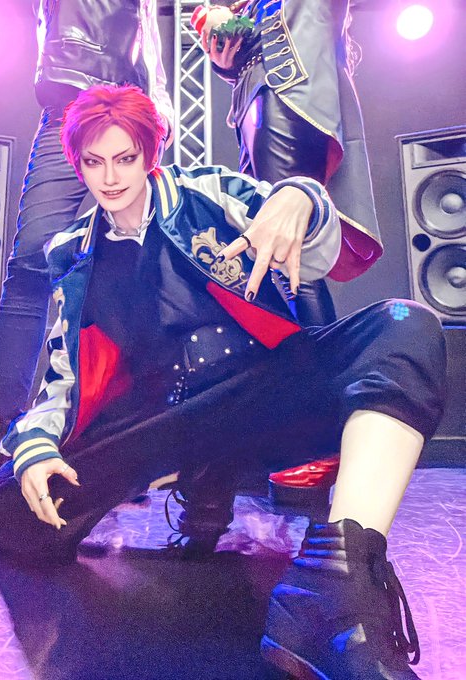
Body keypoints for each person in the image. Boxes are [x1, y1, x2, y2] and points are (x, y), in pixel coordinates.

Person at [0, 85, 446, 678]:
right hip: (161, 424)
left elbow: (318, 252)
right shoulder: (73, 251)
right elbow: (64, 376)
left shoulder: (209, 193)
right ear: (78, 164)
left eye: (125, 158)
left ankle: (334, 584)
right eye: (94, 162)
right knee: (7, 512)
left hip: (260, 394)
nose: (110, 178)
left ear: (150, 153)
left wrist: (301, 197)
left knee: (405, 327)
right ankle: (195, 476)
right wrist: (36, 445)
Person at [0, 0, 174, 536]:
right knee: (33, 267)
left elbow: (147, 33)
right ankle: (0, 446)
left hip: (134, 112)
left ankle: (117, 450)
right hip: (71, 104)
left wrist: (162, 107)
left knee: (132, 270)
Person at [191, 0, 382, 507]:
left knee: (285, 255)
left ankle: (321, 433)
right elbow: (253, 40)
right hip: (258, 99)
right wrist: (226, 52)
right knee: (268, 256)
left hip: (289, 97)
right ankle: (296, 428)